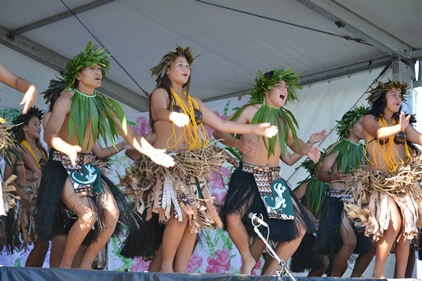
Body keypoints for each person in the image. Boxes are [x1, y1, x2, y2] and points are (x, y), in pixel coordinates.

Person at [120, 46, 277, 273]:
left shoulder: (194, 102)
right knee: (181, 214)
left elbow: (222, 125)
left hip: (192, 165)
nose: (186, 70)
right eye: (180, 65)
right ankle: (166, 267)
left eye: (188, 67)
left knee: (193, 222)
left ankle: (180, 271)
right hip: (170, 163)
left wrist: (256, 129)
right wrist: (173, 115)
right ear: (167, 70)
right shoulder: (161, 94)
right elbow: (158, 112)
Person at [34, 40, 175, 270]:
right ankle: (66, 269)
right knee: (87, 214)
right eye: (92, 68)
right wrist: (66, 147)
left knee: (111, 214)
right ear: (79, 74)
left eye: (100, 69)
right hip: (63, 165)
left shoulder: (105, 104)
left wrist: (154, 154)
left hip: (88, 167)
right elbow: (49, 134)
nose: (98, 72)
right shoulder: (66, 100)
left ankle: (85, 266)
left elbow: (129, 135)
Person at [214, 68, 320, 275]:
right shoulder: (250, 110)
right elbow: (219, 131)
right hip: (248, 175)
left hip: (273, 180)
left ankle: (268, 275)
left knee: (299, 228)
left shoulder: (284, 119)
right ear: (265, 89)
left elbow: (293, 143)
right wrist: (239, 144)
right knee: (233, 217)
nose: (284, 90)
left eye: (286, 87)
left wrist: (307, 149)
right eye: (279, 85)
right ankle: (247, 260)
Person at [343, 80, 422, 278]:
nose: (398, 98)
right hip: (379, 182)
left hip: (402, 182)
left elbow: (418, 137)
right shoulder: (369, 119)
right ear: (382, 98)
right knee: (394, 223)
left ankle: (400, 277)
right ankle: (378, 273)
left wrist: (402, 127)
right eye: (393, 94)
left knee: (407, 227)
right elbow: (379, 134)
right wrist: (400, 128)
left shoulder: (400, 121)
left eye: (400, 95)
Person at [314, 105, 375, 277]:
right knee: (349, 242)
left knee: (371, 246)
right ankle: (334, 279)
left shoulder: (365, 151)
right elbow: (320, 173)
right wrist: (333, 178)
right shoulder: (338, 146)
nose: (365, 128)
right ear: (350, 127)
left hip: (358, 203)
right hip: (338, 201)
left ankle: (354, 279)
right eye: (361, 124)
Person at [1, 107, 48, 267]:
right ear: (24, 127)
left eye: (39, 124)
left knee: (43, 245)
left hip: (39, 200)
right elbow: (6, 177)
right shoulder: (15, 148)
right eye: (35, 124)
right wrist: (21, 193)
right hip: (21, 202)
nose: (39, 127)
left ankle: (30, 276)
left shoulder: (43, 151)